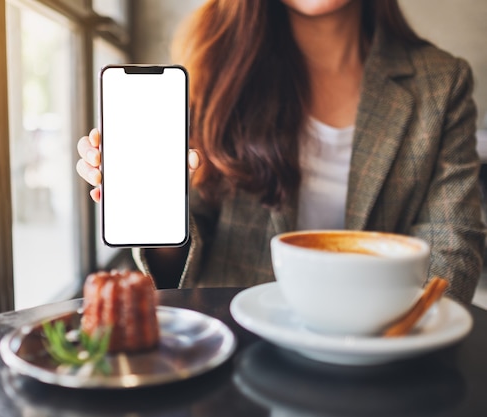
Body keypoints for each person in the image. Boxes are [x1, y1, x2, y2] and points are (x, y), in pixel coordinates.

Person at [77, 0, 485, 305]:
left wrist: (393, 339)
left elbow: (452, 243)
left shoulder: (441, 83)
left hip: (379, 353)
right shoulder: (213, 71)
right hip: (232, 342)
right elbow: (178, 264)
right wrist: (152, 206)